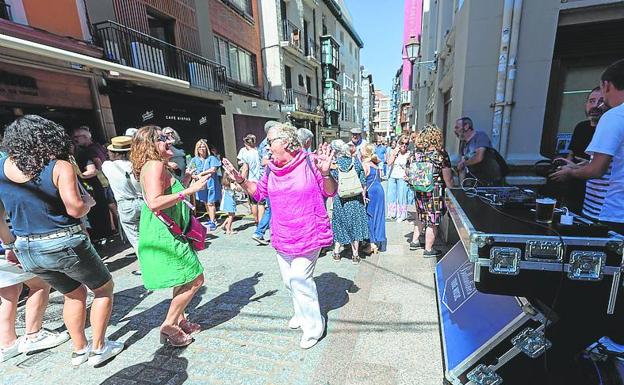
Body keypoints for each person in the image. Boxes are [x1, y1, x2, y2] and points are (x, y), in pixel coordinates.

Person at [0, 115, 122, 366]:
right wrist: (88, 202)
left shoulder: (2, 168)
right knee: (103, 289)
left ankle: (80, 350)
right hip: (63, 242)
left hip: (27, 247)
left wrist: (11, 245)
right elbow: (76, 209)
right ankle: (99, 348)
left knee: (73, 292)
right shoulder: (59, 166)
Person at [221, 122, 336, 349]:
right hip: (283, 233)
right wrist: (240, 179)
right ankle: (301, 313)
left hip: (308, 231)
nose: (266, 146)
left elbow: (330, 191)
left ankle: (314, 325)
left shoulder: (310, 162)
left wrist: (326, 173)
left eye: (270, 141)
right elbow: (259, 194)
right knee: (288, 281)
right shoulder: (270, 168)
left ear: (286, 142)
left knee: (300, 278)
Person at [130, 126, 210, 347]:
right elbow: (156, 201)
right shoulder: (155, 165)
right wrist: (190, 191)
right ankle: (169, 325)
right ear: (151, 145)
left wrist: (185, 181)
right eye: (162, 138)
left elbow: (166, 193)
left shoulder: (155, 166)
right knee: (195, 279)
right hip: (165, 233)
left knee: (183, 278)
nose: (168, 140)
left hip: (167, 229)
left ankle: (181, 320)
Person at [552, 59, 624, 235]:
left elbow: (597, 170)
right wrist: (579, 166)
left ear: (606, 85)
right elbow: (615, 165)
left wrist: (570, 172)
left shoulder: (614, 116)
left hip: (607, 213)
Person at [0, 214, 69, 362]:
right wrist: (9, 245)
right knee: (40, 285)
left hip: (4, 250)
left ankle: (7, 343)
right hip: (9, 247)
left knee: (9, 294)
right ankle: (34, 335)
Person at [407, 124, 454, 257]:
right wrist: (453, 193)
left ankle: (415, 241)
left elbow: (408, 171)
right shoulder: (440, 154)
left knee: (421, 215)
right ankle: (428, 249)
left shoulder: (415, 154)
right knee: (433, 221)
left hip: (419, 190)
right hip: (435, 192)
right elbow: (448, 178)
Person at [560, 87, 608, 214]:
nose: (596, 106)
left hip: (598, 200)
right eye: (592, 101)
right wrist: (564, 167)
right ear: (586, 104)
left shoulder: (609, 130)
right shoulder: (580, 127)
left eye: (601, 101)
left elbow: (600, 168)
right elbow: (571, 154)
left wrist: (582, 167)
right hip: (573, 193)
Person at [72, 126, 118, 238]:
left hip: (101, 182)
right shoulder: (97, 146)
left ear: (84, 137)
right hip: (105, 180)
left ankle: (113, 228)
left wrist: (79, 175)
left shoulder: (89, 150)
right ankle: (115, 228)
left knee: (108, 206)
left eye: (76, 137)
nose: (75, 140)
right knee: (110, 205)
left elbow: (96, 166)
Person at [101, 136, 143, 251]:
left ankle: (147, 266)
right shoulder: (138, 165)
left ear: (114, 152)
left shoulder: (107, 166)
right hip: (144, 201)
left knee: (136, 238)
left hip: (126, 205)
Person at [331, 142, 369, 264]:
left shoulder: (335, 164)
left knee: (339, 223)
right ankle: (355, 255)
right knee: (355, 224)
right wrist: (363, 196)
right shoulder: (356, 162)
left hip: (340, 198)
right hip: (355, 198)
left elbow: (332, 184)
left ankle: (337, 252)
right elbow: (363, 181)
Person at [252, 120, 279, 246]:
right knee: (272, 208)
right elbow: (264, 161)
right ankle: (260, 232)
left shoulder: (268, 143)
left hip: (269, 179)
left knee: (271, 208)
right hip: (268, 179)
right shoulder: (266, 144)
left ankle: (261, 232)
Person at [454, 117, 503, 185]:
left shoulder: (480, 136)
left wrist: (463, 164)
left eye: (457, 127)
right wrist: (461, 187)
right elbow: (462, 166)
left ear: (466, 127)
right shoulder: (463, 144)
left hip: (491, 181)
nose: (455, 130)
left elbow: (479, 157)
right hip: (476, 182)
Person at [189, 139, 221, 231]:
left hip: (211, 183)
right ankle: (211, 218)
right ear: (197, 149)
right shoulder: (194, 160)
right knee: (205, 202)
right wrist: (195, 176)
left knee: (211, 202)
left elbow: (213, 169)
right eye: (200, 147)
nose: (202, 149)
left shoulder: (211, 158)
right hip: (201, 184)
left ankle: (213, 220)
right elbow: (191, 170)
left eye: (203, 147)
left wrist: (201, 174)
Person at [361, 143, 387, 253]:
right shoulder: (375, 163)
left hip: (370, 192)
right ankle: (378, 241)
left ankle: (372, 245)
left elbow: (364, 183)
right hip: (379, 190)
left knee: (369, 216)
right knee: (379, 217)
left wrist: (363, 196)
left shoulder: (365, 164)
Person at [237, 134, 263, 224]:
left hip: (252, 181)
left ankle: (256, 221)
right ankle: (262, 221)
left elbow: (245, 169)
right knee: (262, 202)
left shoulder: (247, 155)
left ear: (245, 144)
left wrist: (241, 182)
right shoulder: (260, 152)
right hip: (262, 180)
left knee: (254, 202)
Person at [386, 135, 411, 222]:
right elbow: (389, 163)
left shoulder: (409, 154)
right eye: (402, 143)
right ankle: (392, 213)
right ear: (398, 143)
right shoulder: (394, 152)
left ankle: (402, 214)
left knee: (402, 196)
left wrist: (408, 175)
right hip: (392, 176)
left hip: (402, 177)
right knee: (391, 195)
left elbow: (410, 168)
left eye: (406, 144)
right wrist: (394, 153)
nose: (404, 145)